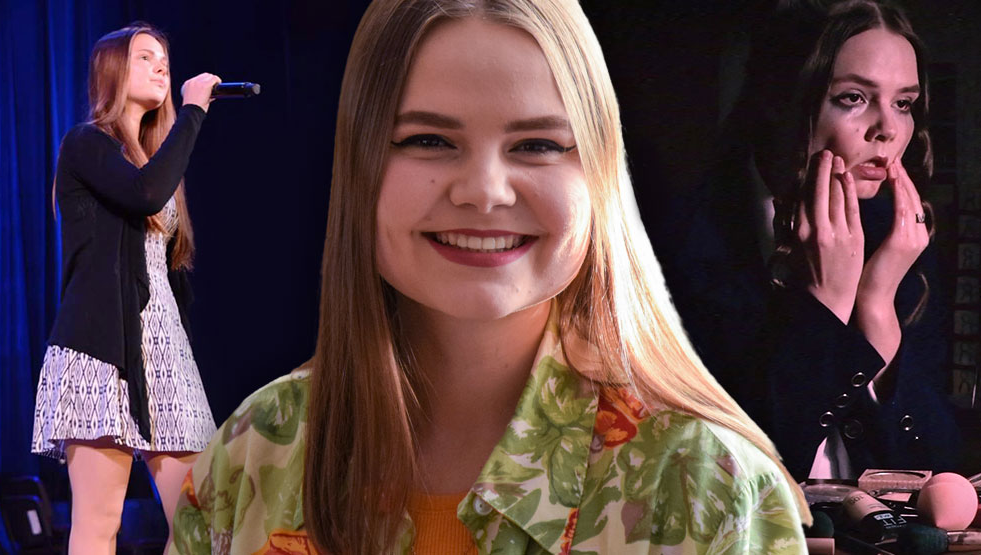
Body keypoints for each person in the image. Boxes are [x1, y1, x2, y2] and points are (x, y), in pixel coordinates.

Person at [173, 1, 810, 553]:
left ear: (599, 174)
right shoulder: (251, 454)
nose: (483, 191)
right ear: (357, 163)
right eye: (427, 139)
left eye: (537, 144)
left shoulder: (713, 489)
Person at [665, 0, 961, 481]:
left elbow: (938, 473)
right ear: (779, 99)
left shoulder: (900, 242)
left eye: (904, 103)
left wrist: (877, 308)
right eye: (853, 98)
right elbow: (723, 475)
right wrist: (825, 308)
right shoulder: (681, 241)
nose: (888, 130)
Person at [31, 22, 219, 554]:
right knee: (99, 522)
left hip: (165, 352)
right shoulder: (86, 144)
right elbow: (143, 194)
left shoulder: (154, 160)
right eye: (145, 57)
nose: (161, 66)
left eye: (164, 59)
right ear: (113, 70)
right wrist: (194, 111)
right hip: (102, 351)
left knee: (201, 523)